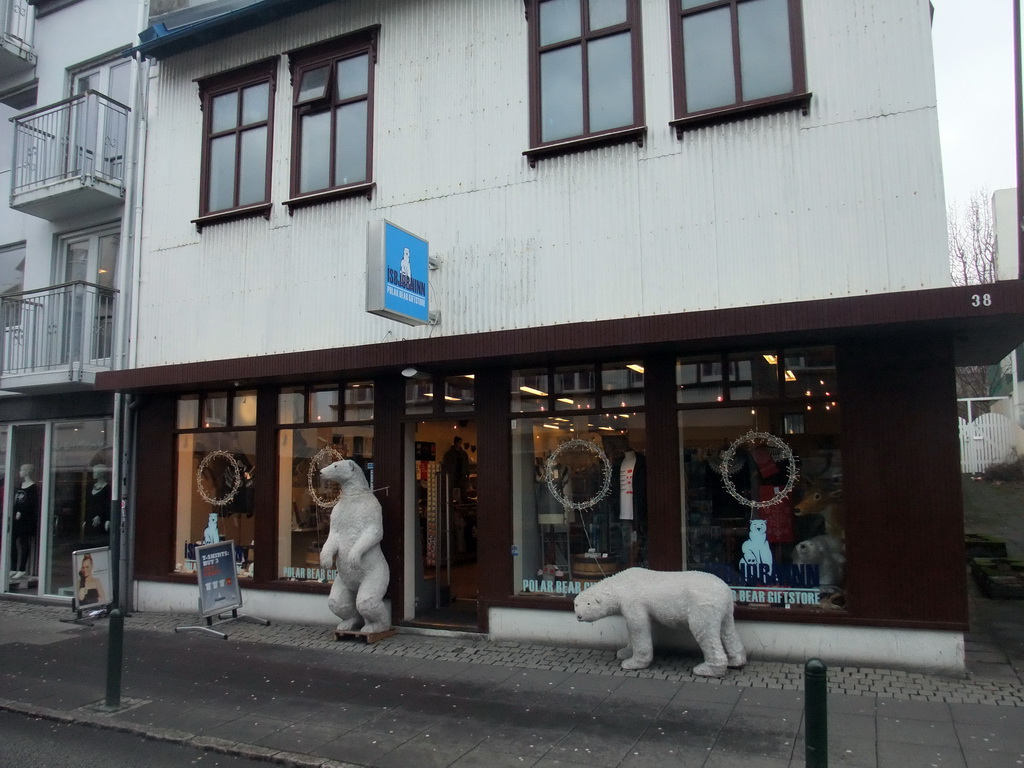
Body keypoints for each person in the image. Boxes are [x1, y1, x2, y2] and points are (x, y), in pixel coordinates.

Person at [10, 463, 39, 580]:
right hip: (16, 519)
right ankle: (13, 567)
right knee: (12, 542)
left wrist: (21, 512)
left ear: (27, 472)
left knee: (24, 542)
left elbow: (31, 503)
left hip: (26, 520)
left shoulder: (33, 487)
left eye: (22, 470)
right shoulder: (20, 485)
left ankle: (22, 568)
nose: (20, 472)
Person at [441, 436, 470, 501]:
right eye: (459, 442)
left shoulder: (463, 454)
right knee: (452, 492)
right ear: (455, 443)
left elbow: (466, 464)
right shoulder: (449, 454)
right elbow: (446, 465)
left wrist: (467, 473)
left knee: (462, 492)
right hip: (453, 475)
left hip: (461, 475)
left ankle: (463, 503)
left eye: (460, 443)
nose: (460, 444)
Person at [86, 464, 111, 539]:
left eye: (96, 472)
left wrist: (105, 518)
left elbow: (107, 504)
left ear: (101, 473)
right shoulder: (91, 486)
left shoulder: (107, 488)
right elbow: (88, 503)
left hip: (101, 520)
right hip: (90, 519)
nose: (94, 474)